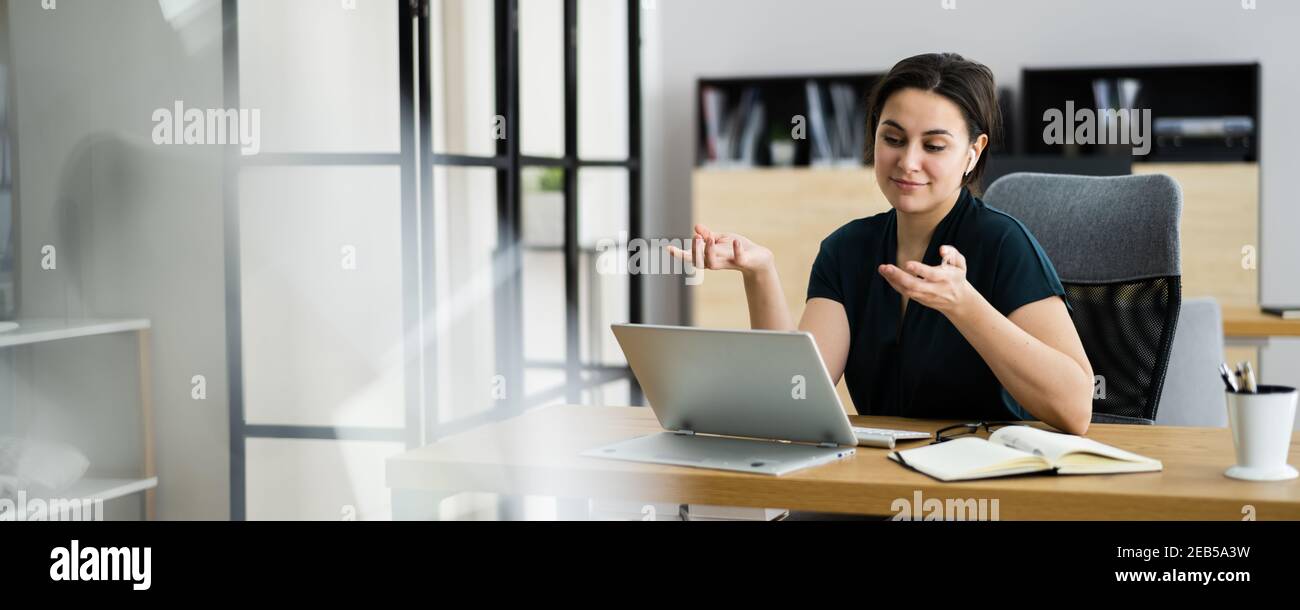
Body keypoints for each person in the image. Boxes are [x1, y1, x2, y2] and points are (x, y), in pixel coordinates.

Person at [669, 52, 1094, 435]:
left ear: (973, 153)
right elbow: (791, 400)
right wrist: (759, 273)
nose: (908, 161)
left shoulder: (1004, 243)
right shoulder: (846, 249)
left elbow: (1076, 409)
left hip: (988, 486)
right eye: (892, 139)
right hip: (880, 476)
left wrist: (964, 305)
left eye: (934, 145)